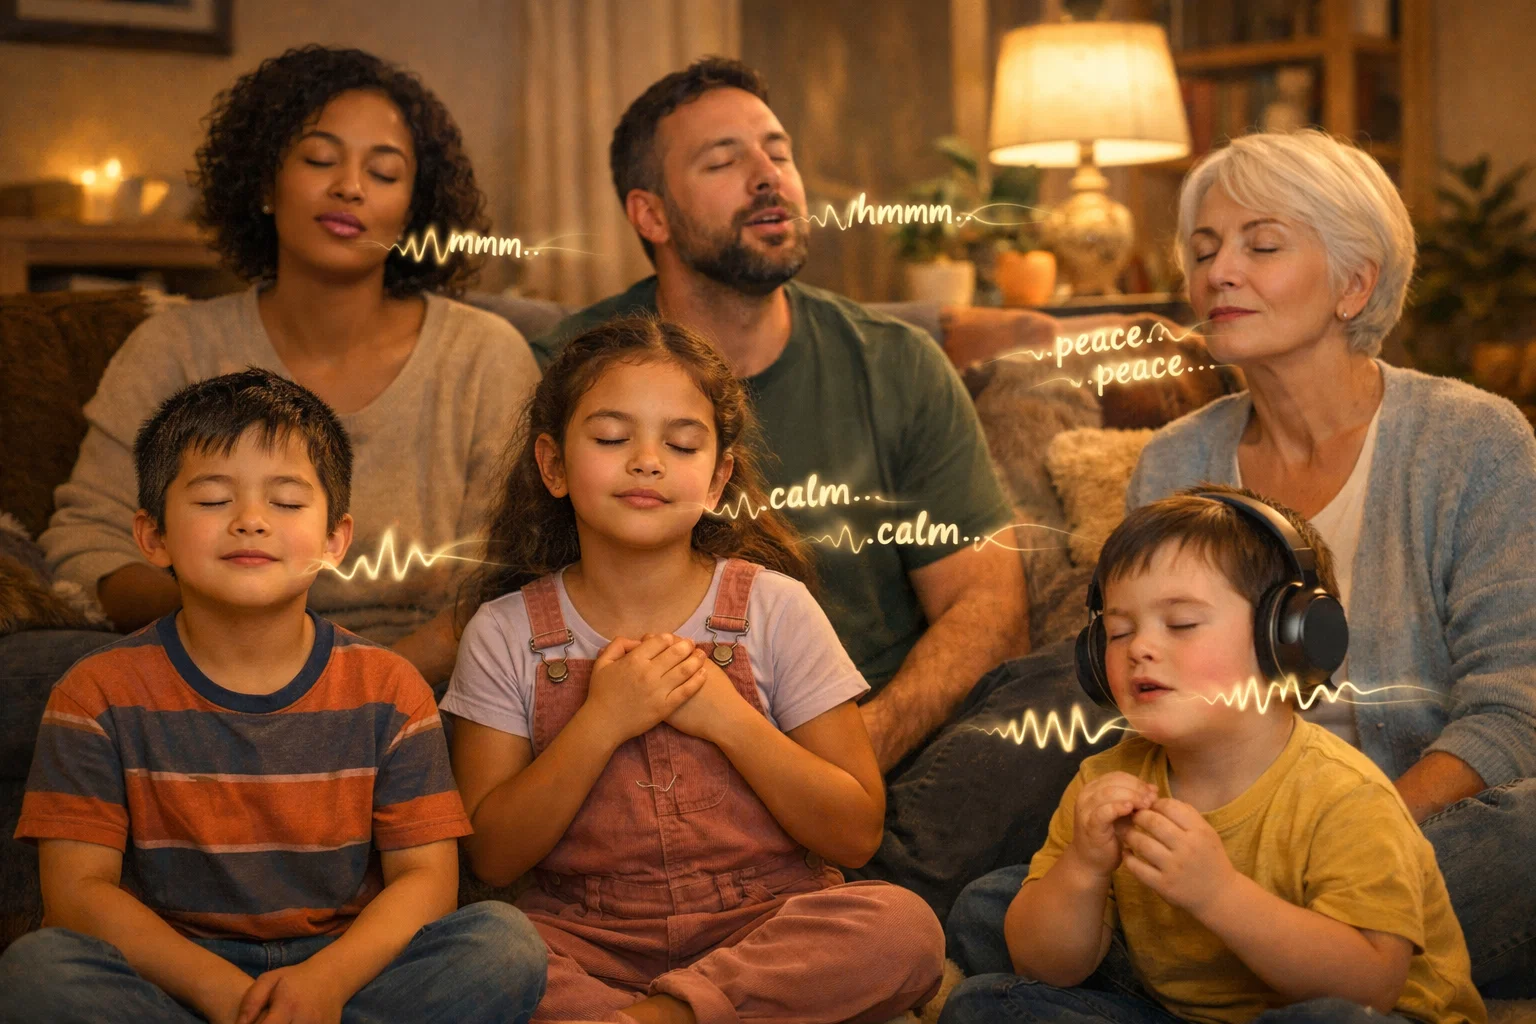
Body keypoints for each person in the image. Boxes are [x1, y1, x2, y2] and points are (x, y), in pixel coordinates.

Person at [946, 130, 1536, 998]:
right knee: (999, 904)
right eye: (1204, 248)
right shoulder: (1176, 464)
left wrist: (1338, 842)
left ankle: (1234, 966)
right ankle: (1258, 968)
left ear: (1355, 283)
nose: (1220, 271)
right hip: (1221, 824)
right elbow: (1154, 690)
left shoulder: (1471, 441)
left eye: (1261, 245)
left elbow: (1514, 709)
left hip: (1409, 827)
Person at [531, 57, 1096, 918]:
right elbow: (521, 594)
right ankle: (826, 920)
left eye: (778, 152)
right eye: (721, 162)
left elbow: (987, 606)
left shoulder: (897, 365)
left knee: (1084, 681)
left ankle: (834, 900)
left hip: (884, 760)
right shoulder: (573, 372)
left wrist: (856, 745)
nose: (768, 178)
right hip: (648, 766)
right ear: (649, 213)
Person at [0, 369, 546, 1024]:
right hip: (173, 971)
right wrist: (219, 992)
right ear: (153, 537)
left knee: (503, 944)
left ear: (335, 541)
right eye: (212, 501)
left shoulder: (388, 688)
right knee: (38, 971)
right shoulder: (95, 694)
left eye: (286, 503)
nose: (251, 522)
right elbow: (76, 895)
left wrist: (323, 984)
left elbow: (426, 882)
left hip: (343, 971)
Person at [442, 315, 945, 1023]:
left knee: (904, 929)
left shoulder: (776, 609)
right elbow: (492, 857)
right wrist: (602, 722)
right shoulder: (506, 632)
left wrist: (728, 718)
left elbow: (854, 831)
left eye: (680, 444)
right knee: (478, 956)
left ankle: (662, 1018)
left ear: (717, 478)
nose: (647, 460)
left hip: (766, 925)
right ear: (553, 465)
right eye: (613, 438)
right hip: (587, 940)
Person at [38, 45, 539, 688]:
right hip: (205, 677)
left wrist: (359, 684)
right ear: (264, 184)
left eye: (384, 174)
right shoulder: (173, 348)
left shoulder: (484, 356)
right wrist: (232, 633)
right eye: (319, 159)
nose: (349, 187)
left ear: (415, 209)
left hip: (427, 691)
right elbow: (89, 542)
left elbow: (510, 578)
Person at [940, 486, 1485, 1024]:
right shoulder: (1103, 780)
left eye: (1181, 624)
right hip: (1181, 1007)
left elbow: (1369, 987)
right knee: (986, 993)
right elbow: (1045, 966)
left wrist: (1217, 894)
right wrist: (1084, 868)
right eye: (1118, 631)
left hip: (1358, 1013)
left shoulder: (1346, 796)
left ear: (1289, 638)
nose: (1140, 649)